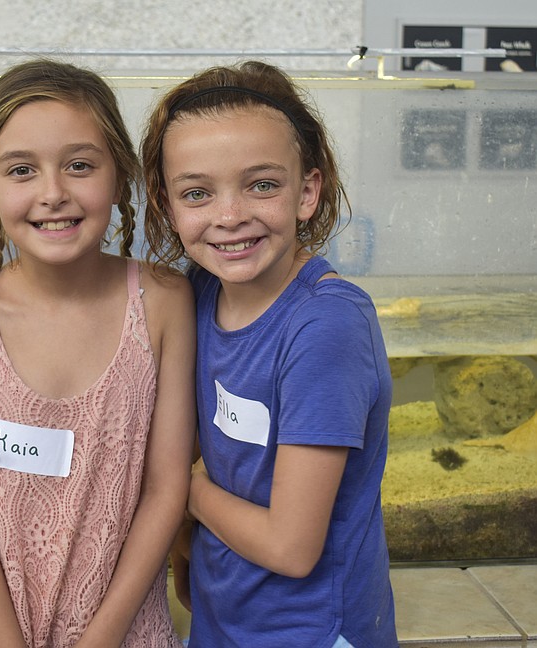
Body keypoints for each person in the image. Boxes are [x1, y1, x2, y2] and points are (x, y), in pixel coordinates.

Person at [0, 59, 195, 648]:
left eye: (80, 165)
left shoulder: (165, 302)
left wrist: (102, 638)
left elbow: (166, 491)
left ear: (119, 177)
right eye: (21, 170)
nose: (53, 193)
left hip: (122, 624)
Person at [141, 60, 398, 648]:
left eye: (261, 184)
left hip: (312, 632)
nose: (229, 216)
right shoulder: (202, 288)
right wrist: (186, 552)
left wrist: (184, 489)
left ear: (307, 191)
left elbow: (291, 546)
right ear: (167, 204)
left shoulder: (325, 326)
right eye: (198, 192)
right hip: (224, 612)